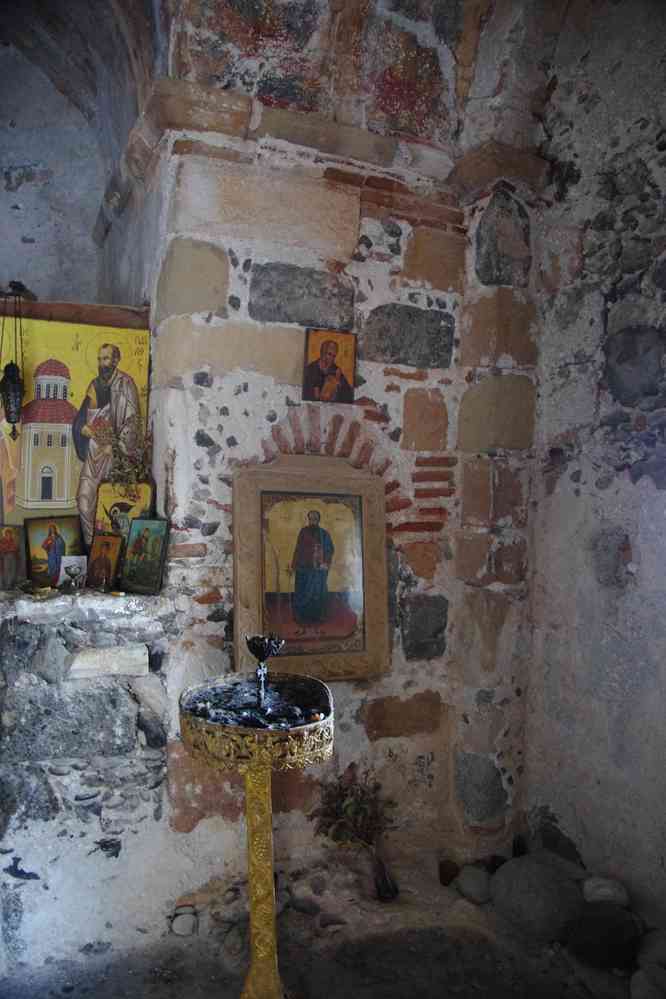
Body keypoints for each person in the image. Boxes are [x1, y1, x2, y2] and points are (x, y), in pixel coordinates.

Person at [72, 343, 141, 545]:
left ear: (116, 360)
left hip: (114, 455)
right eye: (100, 359)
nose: (102, 364)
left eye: (106, 359)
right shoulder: (94, 385)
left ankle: (110, 552)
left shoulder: (126, 384)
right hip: (94, 452)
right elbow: (80, 421)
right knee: (83, 500)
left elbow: (132, 422)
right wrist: (84, 429)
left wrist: (116, 446)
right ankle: (91, 546)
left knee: (110, 505)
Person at [288, 510, 334, 635]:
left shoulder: (324, 534)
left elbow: (330, 550)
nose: (312, 521)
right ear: (308, 519)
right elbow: (298, 549)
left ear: (319, 520)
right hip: (303, 569)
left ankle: (317, 620)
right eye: (311, 518)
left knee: (317, 592)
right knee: (302, 592)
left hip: (318, 571)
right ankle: (302, 619)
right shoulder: (303, 532)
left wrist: (326, 563)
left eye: (315, 518)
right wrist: (293, 566)